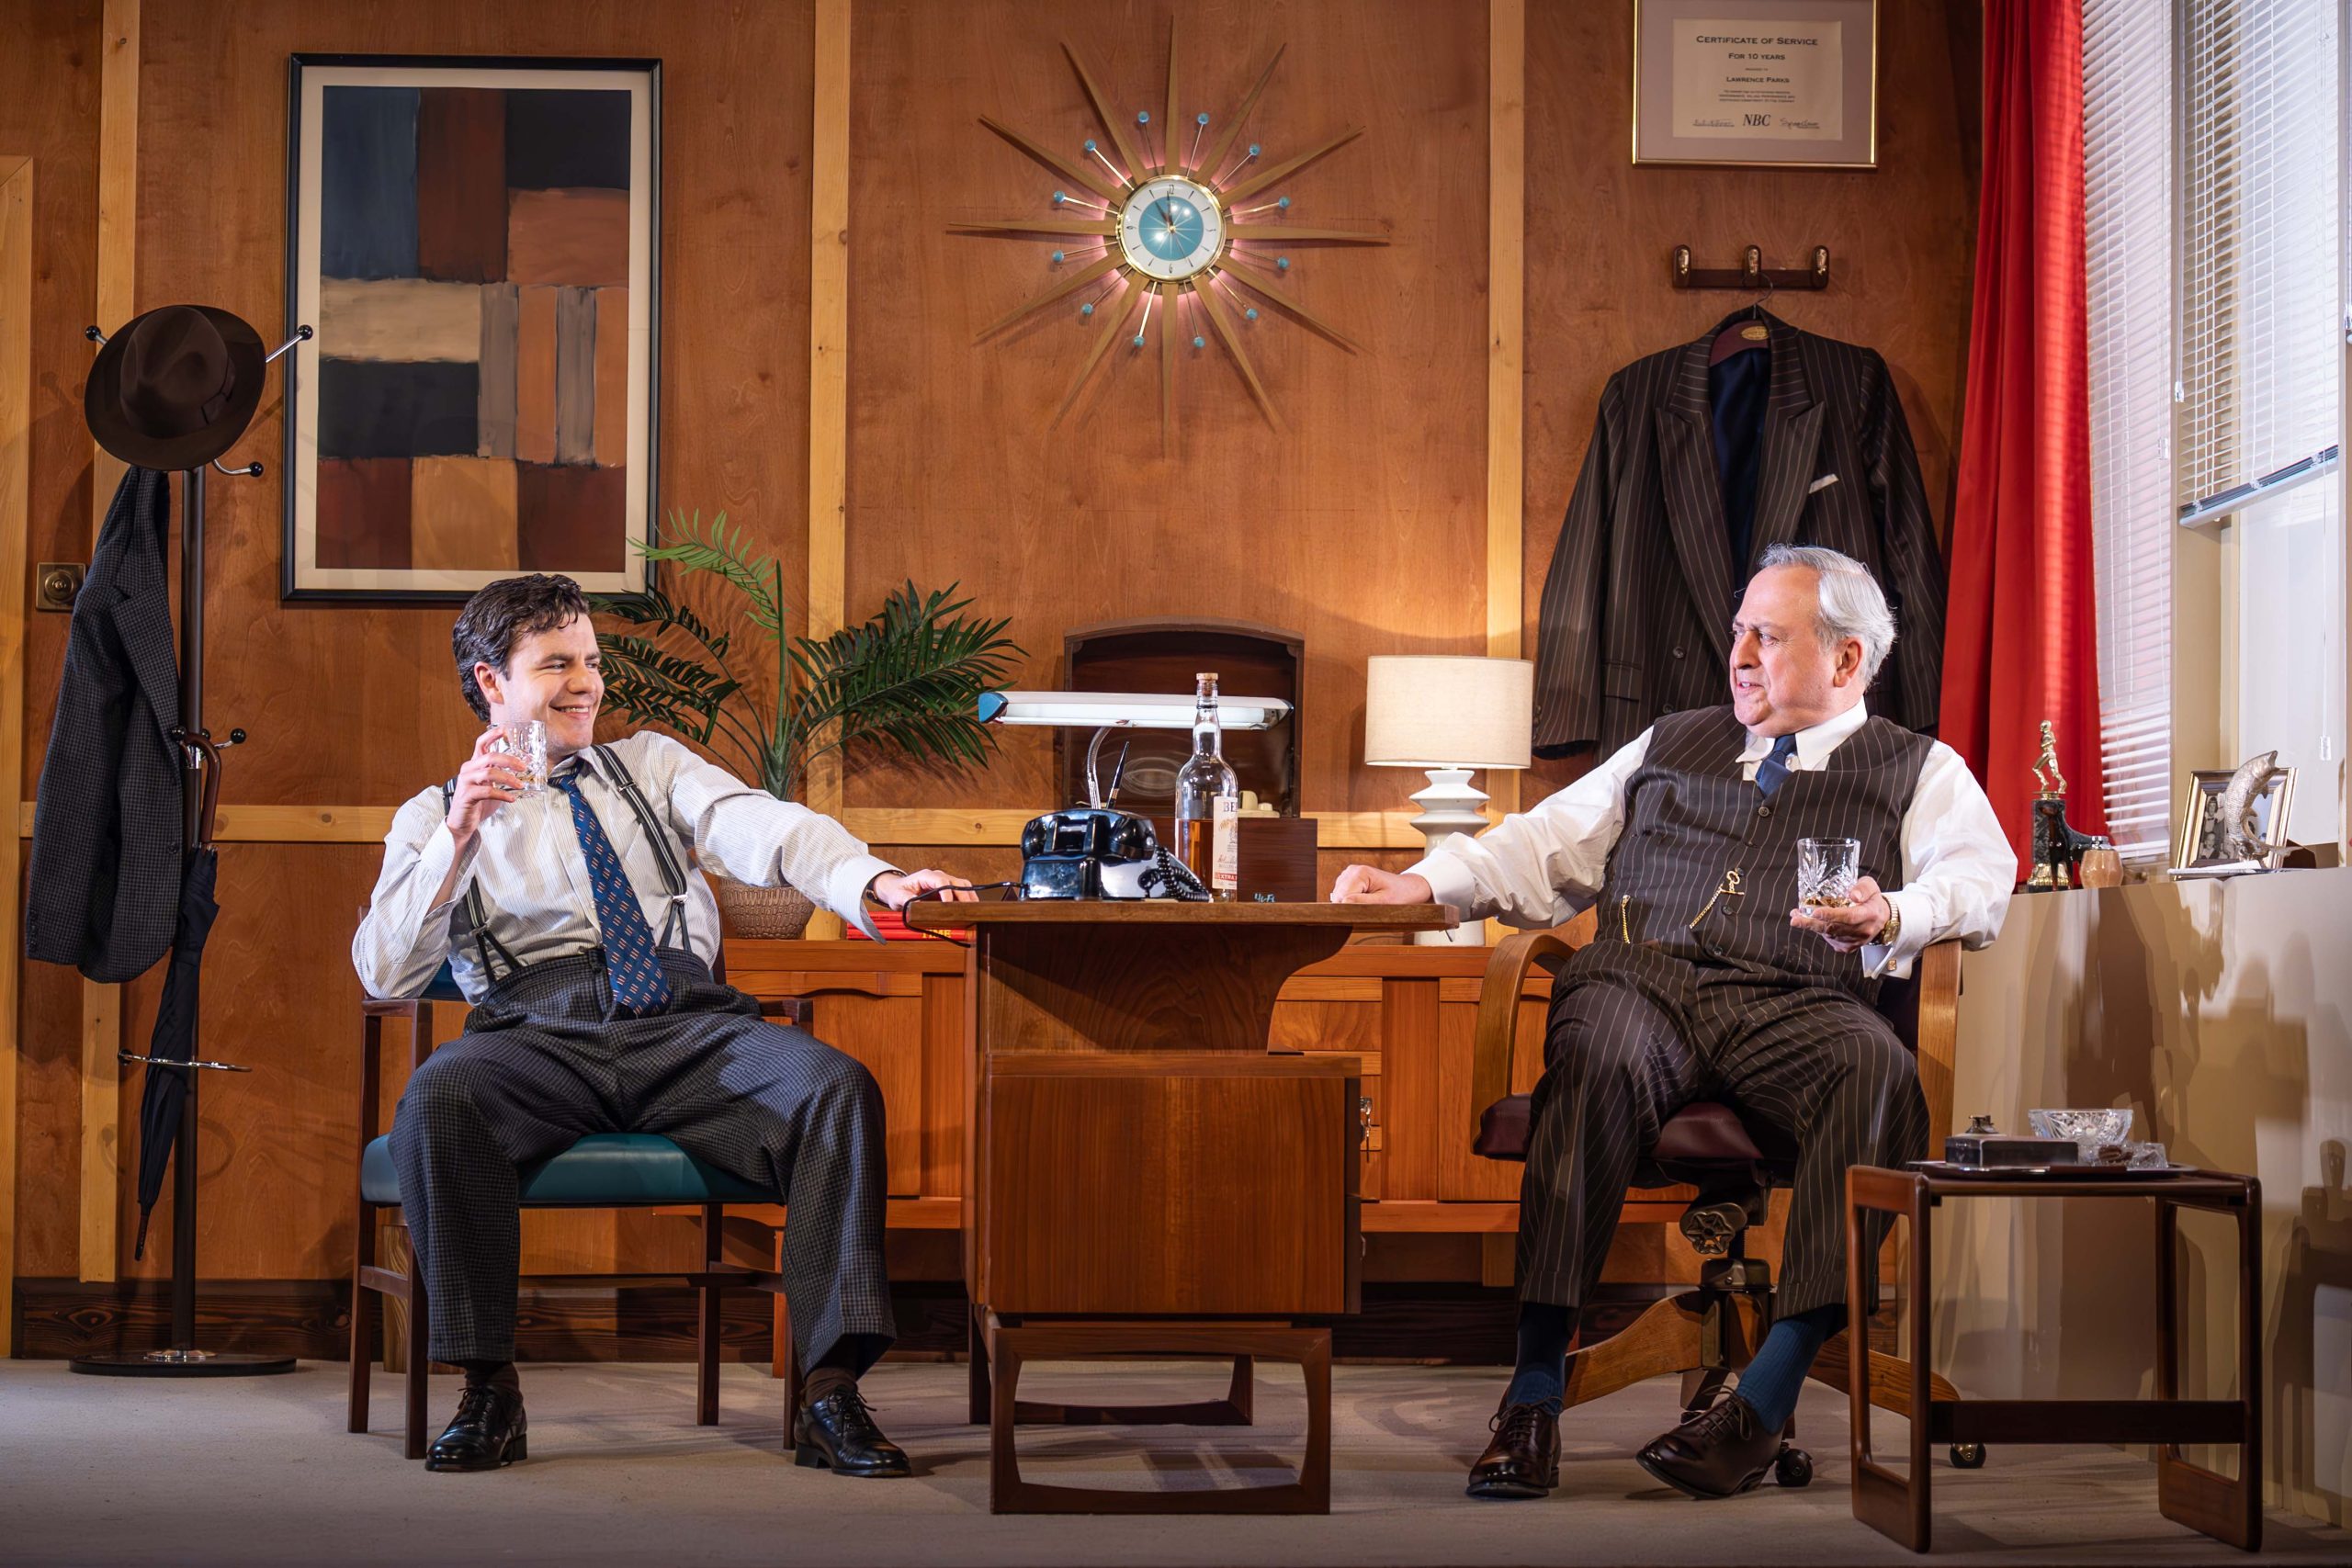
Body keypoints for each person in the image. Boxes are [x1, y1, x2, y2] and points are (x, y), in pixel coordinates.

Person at [1332, 544, 2014, 1502]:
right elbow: (1544, 841)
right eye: (1738, 631)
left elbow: (1980, 880)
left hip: (1795, 1002)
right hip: (1640, 985)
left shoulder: (1918, 767)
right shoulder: (1668, 741)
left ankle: (1758, 1403)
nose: (1738, 654)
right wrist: (1423, 881)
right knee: (1597, 1050)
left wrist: (1890, 912)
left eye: (1767, 637)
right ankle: (1532, 1395)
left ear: (1848, 660)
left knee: (1878, 1071)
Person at [354, 573, 974, 1475]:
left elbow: (766, 828)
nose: (586, 683)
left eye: (593, 662)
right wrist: (459, 835)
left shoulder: (651, 764)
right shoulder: (432, 815)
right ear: (492, 683)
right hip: (534, 1035)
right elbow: (383, 969)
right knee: (439, 1095)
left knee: (834, 1088)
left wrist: (875, 882)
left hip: (686, 1028)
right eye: (556, 663)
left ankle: (828, 1393)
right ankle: (489, 1391)